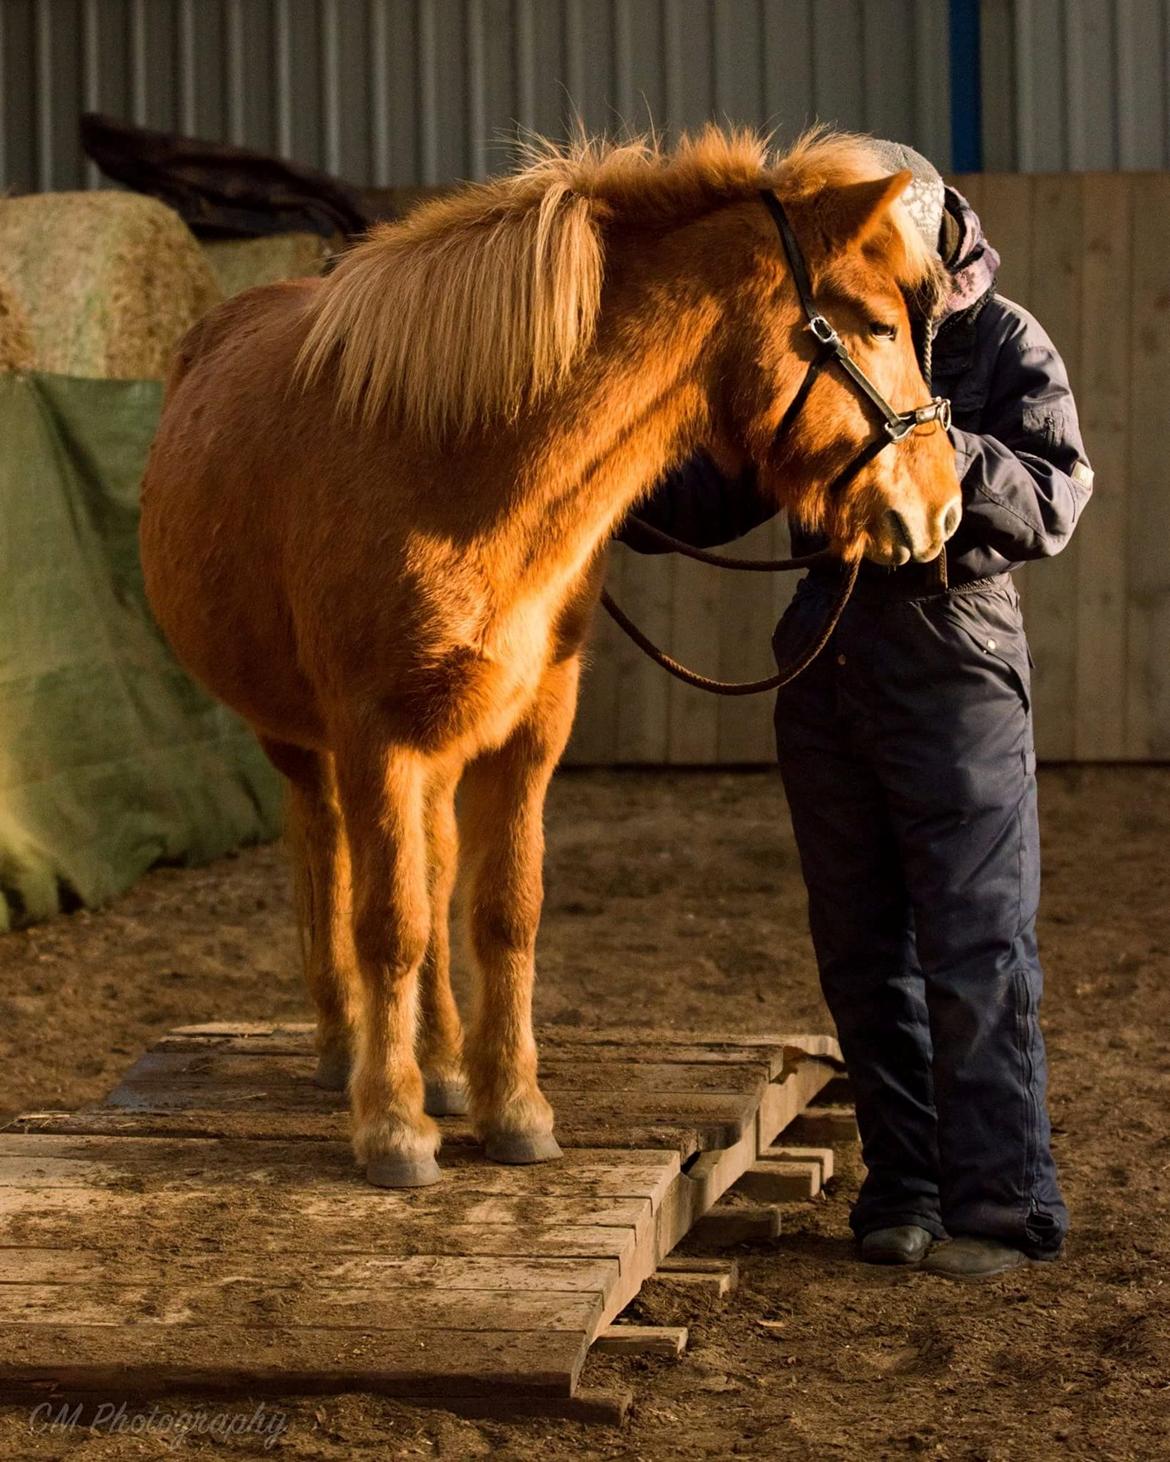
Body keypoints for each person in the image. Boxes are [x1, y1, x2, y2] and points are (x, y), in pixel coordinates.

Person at [620, 139, 1092, 1280]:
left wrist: (930, 443)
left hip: (955, 656)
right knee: (861, 948)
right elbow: (719, 490)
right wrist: (607, 473)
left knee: (975, 944)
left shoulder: (1002, 339)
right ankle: (905, 1187)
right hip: (827, 656)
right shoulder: (821, 330)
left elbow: (1054, 493)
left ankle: (1002, 1204)